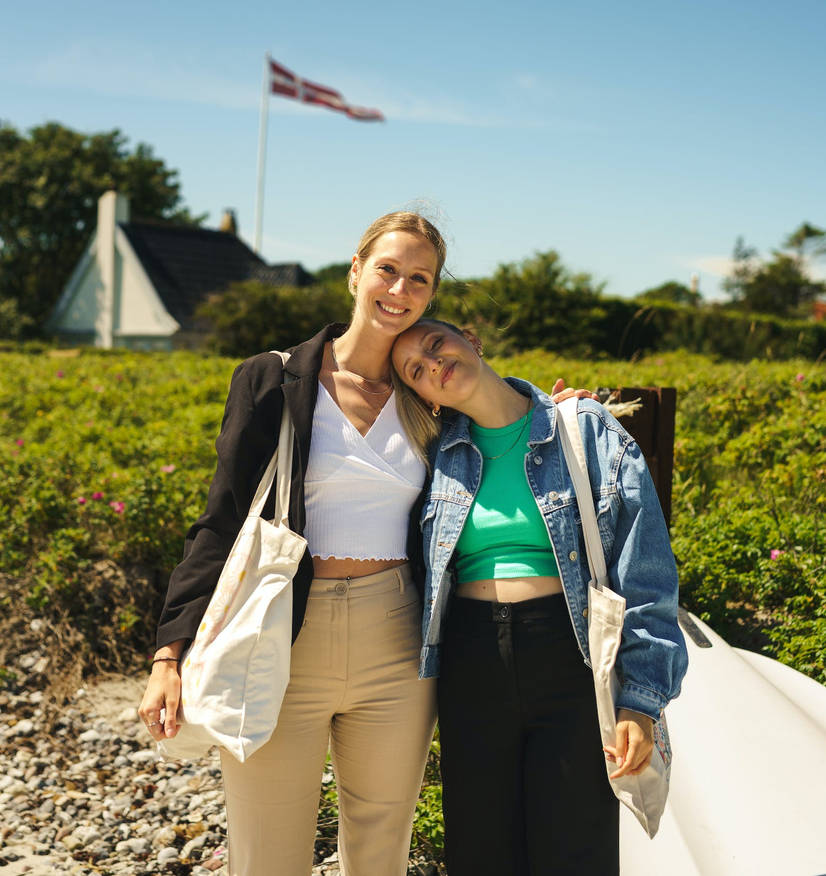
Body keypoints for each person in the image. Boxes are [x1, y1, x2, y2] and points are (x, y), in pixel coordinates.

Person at [138, 212, 447, 876]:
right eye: (388, 269)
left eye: (419, 279)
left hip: (395, 641)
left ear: (431, 294)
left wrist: (566, 412)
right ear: (356, 271)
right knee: (266, 854)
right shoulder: (272, 379)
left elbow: (506, 439)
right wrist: (170, 654)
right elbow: (221, 520)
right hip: (281, 633)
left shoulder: (432, 398)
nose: (400, 288)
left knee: (381, 851)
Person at [391, 318, 689, 876]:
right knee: (481, 850)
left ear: (472, 340)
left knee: (575, 848)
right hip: (470, 660)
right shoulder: (433, 454)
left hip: (571, 653)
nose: (433, 364)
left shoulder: (585, 430)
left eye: (436, 344)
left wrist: (641, 699)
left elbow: (645, 569)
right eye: (416, 370)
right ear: (422, 397)